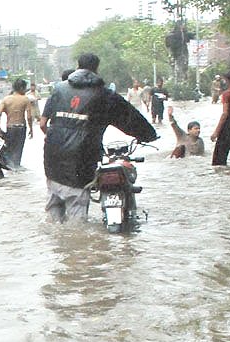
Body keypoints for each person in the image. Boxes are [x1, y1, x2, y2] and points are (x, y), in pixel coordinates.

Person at [39, 52, 157, 222]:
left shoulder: (58, 89)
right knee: (77, 218)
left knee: (53, 215)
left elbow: (43, 124)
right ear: (96, 69)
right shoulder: (105, 95)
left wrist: (56, 141)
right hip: (81, 162)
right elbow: (130, 119)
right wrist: (148, 135)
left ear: (78, 66)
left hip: (52, 159)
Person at [0, 78, 34, 168]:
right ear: (21, 88)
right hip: (21, 127)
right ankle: (17, 168)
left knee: (10, 150)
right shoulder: (25, 99)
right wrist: (31, 129)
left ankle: (10, 169)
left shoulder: (6, 99)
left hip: (10, 127)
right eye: (25, 88)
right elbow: (29, 116)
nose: (25, 91)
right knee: (18, 151)